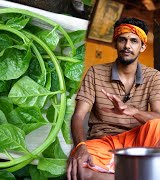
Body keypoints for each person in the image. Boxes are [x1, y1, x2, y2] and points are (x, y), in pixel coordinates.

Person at [66, 17, 160, 180]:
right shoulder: (95, 72)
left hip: (138, 140)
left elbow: (158, 117)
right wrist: (80, 146)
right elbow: (79, 116)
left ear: (143, 46)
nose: (127, 46)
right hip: (103, 142)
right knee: (78, 167)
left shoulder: (154, 76)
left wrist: (133, 111)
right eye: (122, 40)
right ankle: (140, 173)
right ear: (115, 43)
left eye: (134, 41)